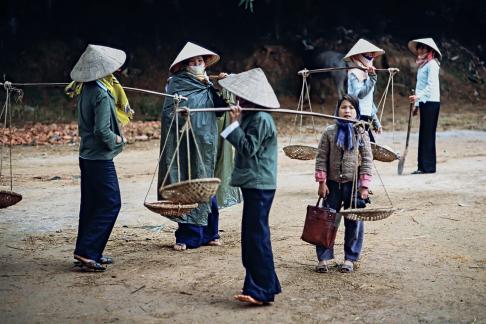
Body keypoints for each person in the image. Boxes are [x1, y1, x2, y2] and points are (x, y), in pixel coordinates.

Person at [157, 42, 232, 251]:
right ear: (185, 65)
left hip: (206, 144)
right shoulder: (176, 85)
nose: (198, 64)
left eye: (201, 61)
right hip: (184, 144)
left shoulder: (207, 84)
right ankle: (187, 237)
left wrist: (223, 87)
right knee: (187, 184)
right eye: (194, 62)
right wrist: (182, 112)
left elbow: (220, 110)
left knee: (206, 184)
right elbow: (167, 115)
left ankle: (211, 233)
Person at [219, 68, 281, 305]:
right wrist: (235, 122)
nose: (237, 100)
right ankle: (261, 285)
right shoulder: (250, 116)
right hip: (252, 182)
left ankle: (262, 290)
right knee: (252, 236)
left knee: (257, 237)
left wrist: (234, 124)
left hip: (260, 184)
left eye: (240, 97)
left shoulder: (261, 119)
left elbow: (247, 148)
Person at [70, 44, 127, 271]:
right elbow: (102, 130)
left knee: (92, 204)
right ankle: (87, 251)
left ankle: (88, 250)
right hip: (99, 158)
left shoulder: (86, 88)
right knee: (112, 203)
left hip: (87, 155)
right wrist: (118, 139)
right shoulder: (102, 95)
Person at [314, 94, 373, 273]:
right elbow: (321, 158)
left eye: (351, 108)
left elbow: (368, 159)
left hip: (353, 185)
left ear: (357, 112)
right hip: (332, 185)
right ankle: (324, 258)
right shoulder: (329, 132)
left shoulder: (361, 132)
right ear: (337, 110)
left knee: (353, 222)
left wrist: (364, 186)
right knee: (327, 220)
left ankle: (350, 258)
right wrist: (322, 182)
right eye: (343, 107)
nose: (347, 111)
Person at [408, 38, 442, 174]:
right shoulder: (423, 65)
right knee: (423, 134)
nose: (420, 50)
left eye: (423, 48)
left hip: (431, 102)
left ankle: (428, 167)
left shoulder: (432, 64)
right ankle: (422, 166)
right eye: (419, 47)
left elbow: (430, 86)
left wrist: (418, 97)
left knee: (428, 134)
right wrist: (417, 104)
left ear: (429, 50)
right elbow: (419, 86)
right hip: (424, 102)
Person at [344, 39, 385, 142]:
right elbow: (360, 95)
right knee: (366, 146)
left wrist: (375, 121)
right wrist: (372, 78)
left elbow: (367, 102)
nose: (370, 56)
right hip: (356, 115)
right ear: (359, 55)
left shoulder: (365, 72)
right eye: (368, 53)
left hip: (364, 115)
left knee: (368, 146)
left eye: (372, 53)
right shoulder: (355, 72)